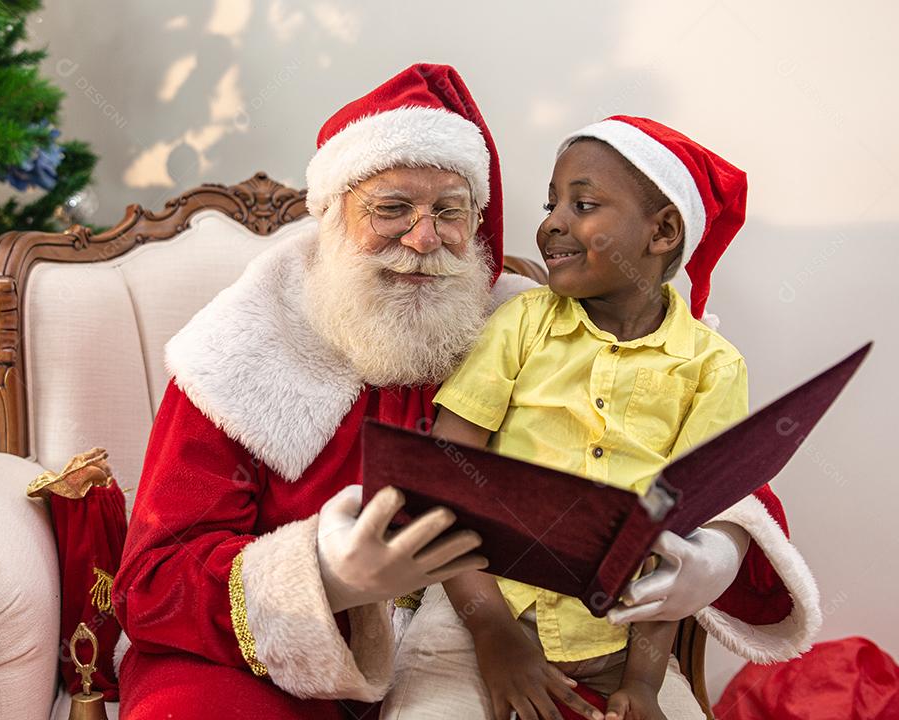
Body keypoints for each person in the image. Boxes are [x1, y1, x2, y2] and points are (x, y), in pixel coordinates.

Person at [111, 65, 820, 720]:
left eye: (451, 212)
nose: (425, 240)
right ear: (330, 218)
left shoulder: (529, 323)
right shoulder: (241, 350)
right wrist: (323, 577)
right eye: (391, 208)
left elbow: (713, 475)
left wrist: (718, 552)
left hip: (499, 650)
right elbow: (150, 584)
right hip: (269, 672)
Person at [381, 116, 800, 720]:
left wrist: (645, 682)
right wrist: (494, 636)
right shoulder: (521, 324)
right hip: (475, 619)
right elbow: (442, 474)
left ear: (662, 232)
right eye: (553, 203)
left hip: (619, 640)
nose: (552, 221)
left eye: (583, 204)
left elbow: (677, 537)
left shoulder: (713, 368)